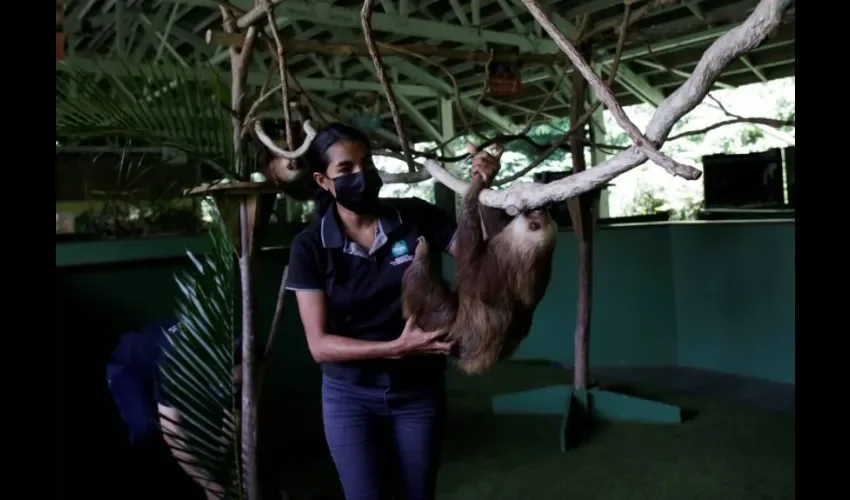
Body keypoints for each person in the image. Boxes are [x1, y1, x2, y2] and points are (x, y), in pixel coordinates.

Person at [284, 123, 501, 500]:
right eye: (346, 170)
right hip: (349, 396)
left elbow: (482, 257)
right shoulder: (310, 246)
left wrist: (481, 188)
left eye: (366, 163)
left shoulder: (415, 216)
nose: (361, 175)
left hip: (417, 391)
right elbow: (319, 346)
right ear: (323, 181)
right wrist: (396, 348)